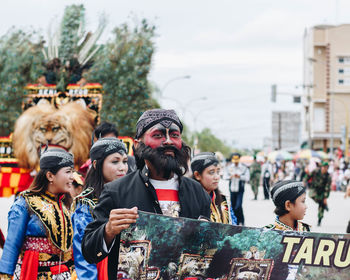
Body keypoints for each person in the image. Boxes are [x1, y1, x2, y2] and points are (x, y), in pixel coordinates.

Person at [81, 109, 211, 280]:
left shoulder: (198, 192)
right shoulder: (116, 192)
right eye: (157, 135)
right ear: (137, 144)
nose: (168, 141)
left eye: (174, 135)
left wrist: (208, 236)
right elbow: (89, 252)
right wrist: (108, 230)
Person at [0, 148, 75, 279]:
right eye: (68, 172)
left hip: (63, 273)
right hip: (34, 272)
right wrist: (5, 275)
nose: (72, 177)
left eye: (72, 172)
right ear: (50, 176)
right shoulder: (26, 202)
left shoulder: (67, 203)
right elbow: (12, 244)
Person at [72, 137, 128, 280]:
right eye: (115, 161)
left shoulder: (130, 195)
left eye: (125, 161)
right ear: (97, 164)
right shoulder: (87, 203)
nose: (122, 167)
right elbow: (83, 255)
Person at [191, 152, 234, 224]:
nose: (217, 177)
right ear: (197, 175)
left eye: (218, 172)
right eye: (211, 172)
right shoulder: (189, 201)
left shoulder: (224, 200)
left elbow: (233, 225)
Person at [306, 161, 331, 226]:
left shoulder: (328, 176)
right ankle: (323, 204)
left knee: (321, 205)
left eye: (326, 168)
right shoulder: (316, 171)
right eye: (323, 167)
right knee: (311, 195)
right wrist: (304, 181)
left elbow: (327, 188)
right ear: (321, 167)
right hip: (314, 189)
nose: (324, 169)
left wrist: (325, 198)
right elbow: (308, 176)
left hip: (322, 192)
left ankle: (319, 219)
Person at [228, 153, 250, 225]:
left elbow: (247, 178)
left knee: (238, 206)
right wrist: (230, 177)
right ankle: (237, 221)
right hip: (232, 189)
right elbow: (225, 176)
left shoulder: (244, 168)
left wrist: (239, 176)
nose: (235, 162)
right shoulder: (230, 167)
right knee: (233, 206)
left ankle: (241, 220)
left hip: (240, 189)